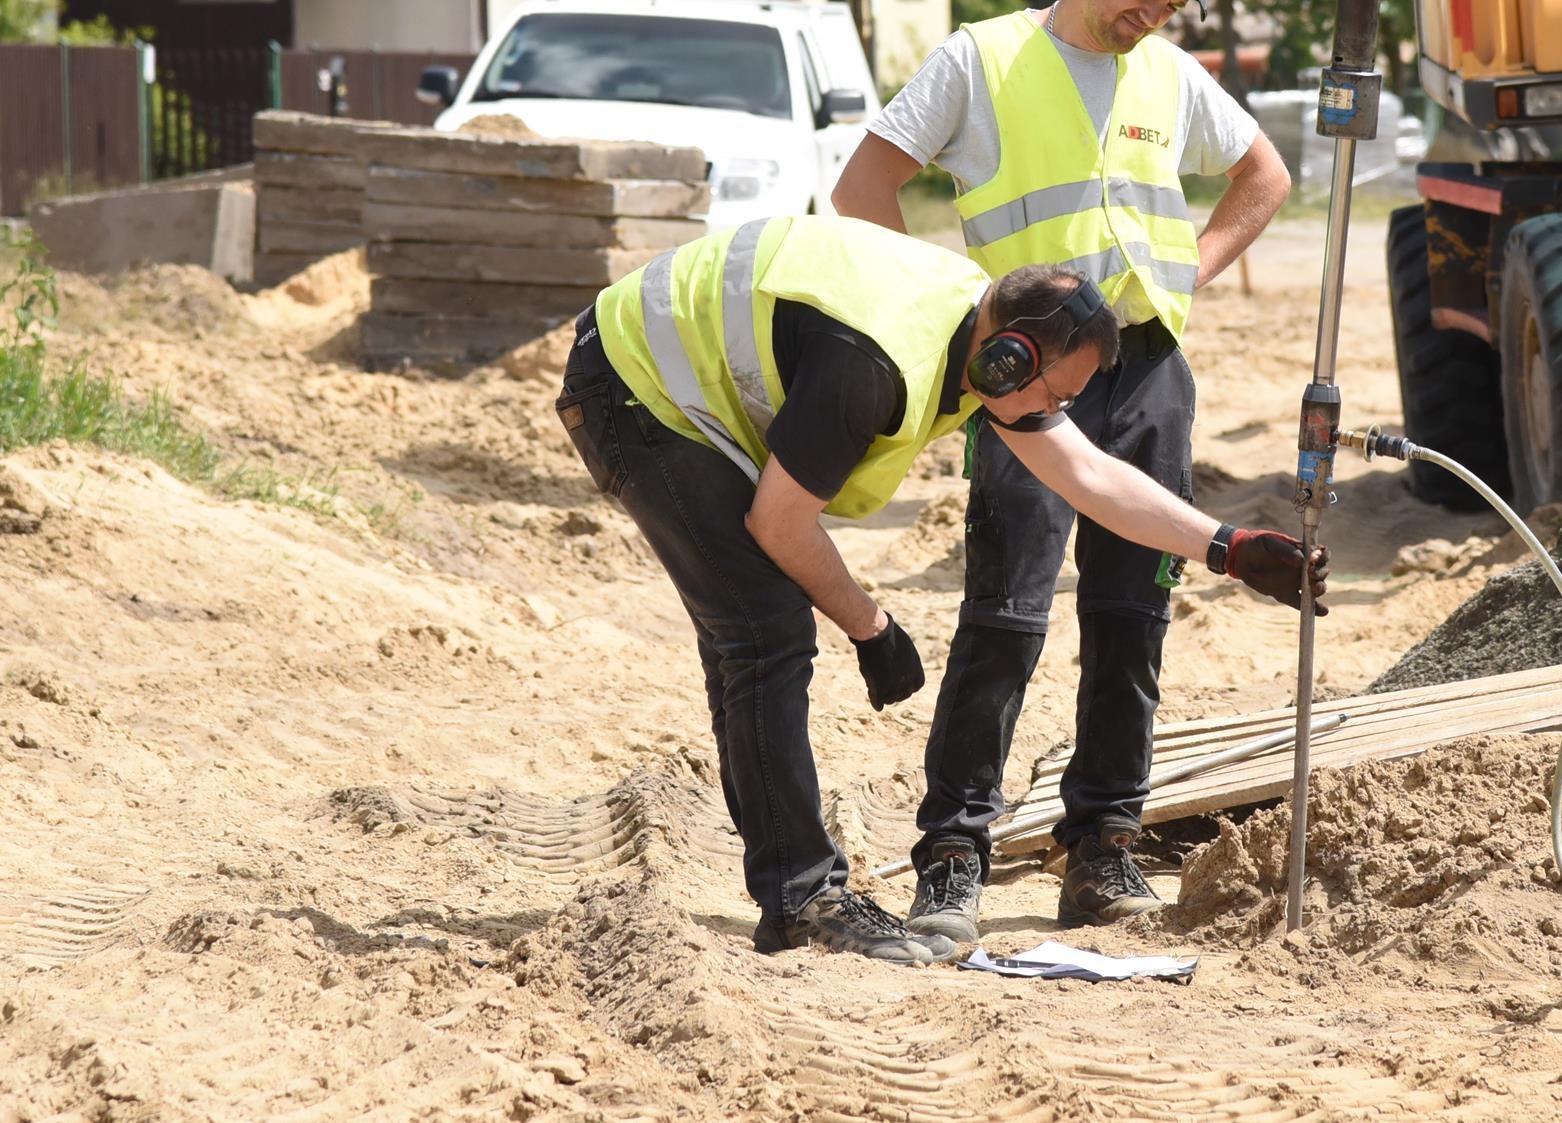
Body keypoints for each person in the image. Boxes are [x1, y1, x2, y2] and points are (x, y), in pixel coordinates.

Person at [554, 212, 1321, 965]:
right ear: (1011, 361)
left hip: (677, 383)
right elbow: (781, 524)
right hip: (633, 386)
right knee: (763, 628)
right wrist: (871, 627)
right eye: (1058, 396)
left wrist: (1232, 547)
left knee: (753, 631)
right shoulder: (878, 361)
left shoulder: (980, 337)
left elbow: (1089, 474)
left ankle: (794, 885)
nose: (1059, 414)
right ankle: (802, 899)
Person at [828, 0, 1295, 943]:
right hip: (1027, 375)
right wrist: (962, 318)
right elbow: (862, 188)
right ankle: (952, 854)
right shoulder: (980, 61)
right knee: (1006, 617)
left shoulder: (1171, 75)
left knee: (1133, 616)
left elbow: (1263, 176)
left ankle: (1104, 846)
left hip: (1146, 369)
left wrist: (1187, 279)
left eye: (1174, 3)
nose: (1154, 16)